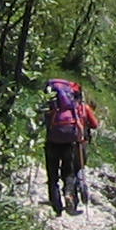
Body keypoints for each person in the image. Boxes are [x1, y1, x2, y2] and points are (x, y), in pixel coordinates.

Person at [43, 77, 99, 215]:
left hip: (52, 140)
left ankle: (56, 207)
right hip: (72, 142)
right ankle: (69, 194)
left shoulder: (52, 106)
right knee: (70, 171)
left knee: (52, 175)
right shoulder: (80, 108)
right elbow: (95, 124)